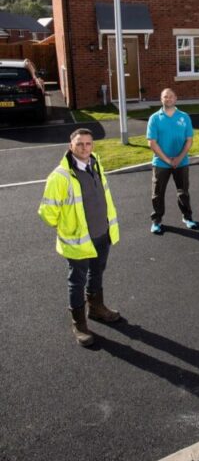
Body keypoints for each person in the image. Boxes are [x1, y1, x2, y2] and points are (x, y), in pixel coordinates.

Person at [38, 128, 121, 347]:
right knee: (77, 281)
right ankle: (79, 324)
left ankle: (96, 308)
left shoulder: (96, 164)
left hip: (102, 233)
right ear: (70, 145)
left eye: (88, 144)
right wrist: (69, 228)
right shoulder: (59, 176)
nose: (85, 148)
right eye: (80, 144)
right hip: (78, 241)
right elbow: (47, 214)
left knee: (97, 273)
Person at [146, 87, 199, 234]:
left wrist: (179, 158)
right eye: (165, 97)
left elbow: (189, 140)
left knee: (183, 192)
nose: (168, 99)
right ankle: (156, 221)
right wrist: (168, 161)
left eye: (171, 96)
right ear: (161, 99)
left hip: (181, 162)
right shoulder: (154, 118)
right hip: (161, 163)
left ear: (176, 99)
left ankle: (187, 218)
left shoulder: (184, 117)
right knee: (157, 194)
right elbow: (152, 143)